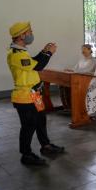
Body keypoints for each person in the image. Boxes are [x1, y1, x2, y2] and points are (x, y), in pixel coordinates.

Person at [7, 22, 64, 167]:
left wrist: (44, 51)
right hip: (24, 96)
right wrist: (49, 53)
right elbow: (38, 66)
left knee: (41, 120)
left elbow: (33, 62)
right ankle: (26, 154)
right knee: (28, 125)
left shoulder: (22, 51)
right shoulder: (15, 54)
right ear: (21, 35)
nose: (31, 34)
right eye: (29, 31)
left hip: (34, 94)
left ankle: (46, 145)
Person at [60, 44, 96, 110]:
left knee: (71, 86)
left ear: (89, 50)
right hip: (78, 78)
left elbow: (87, 71)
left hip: (87, 80)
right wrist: (70, 69)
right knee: (63, 85)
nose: (83, 51)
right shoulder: (81, 60)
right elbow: (75, 68)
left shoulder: (93, 61)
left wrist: (76, 71)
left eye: (84, 49)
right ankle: (68, 106)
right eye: (82, 49)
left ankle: (75, 106)